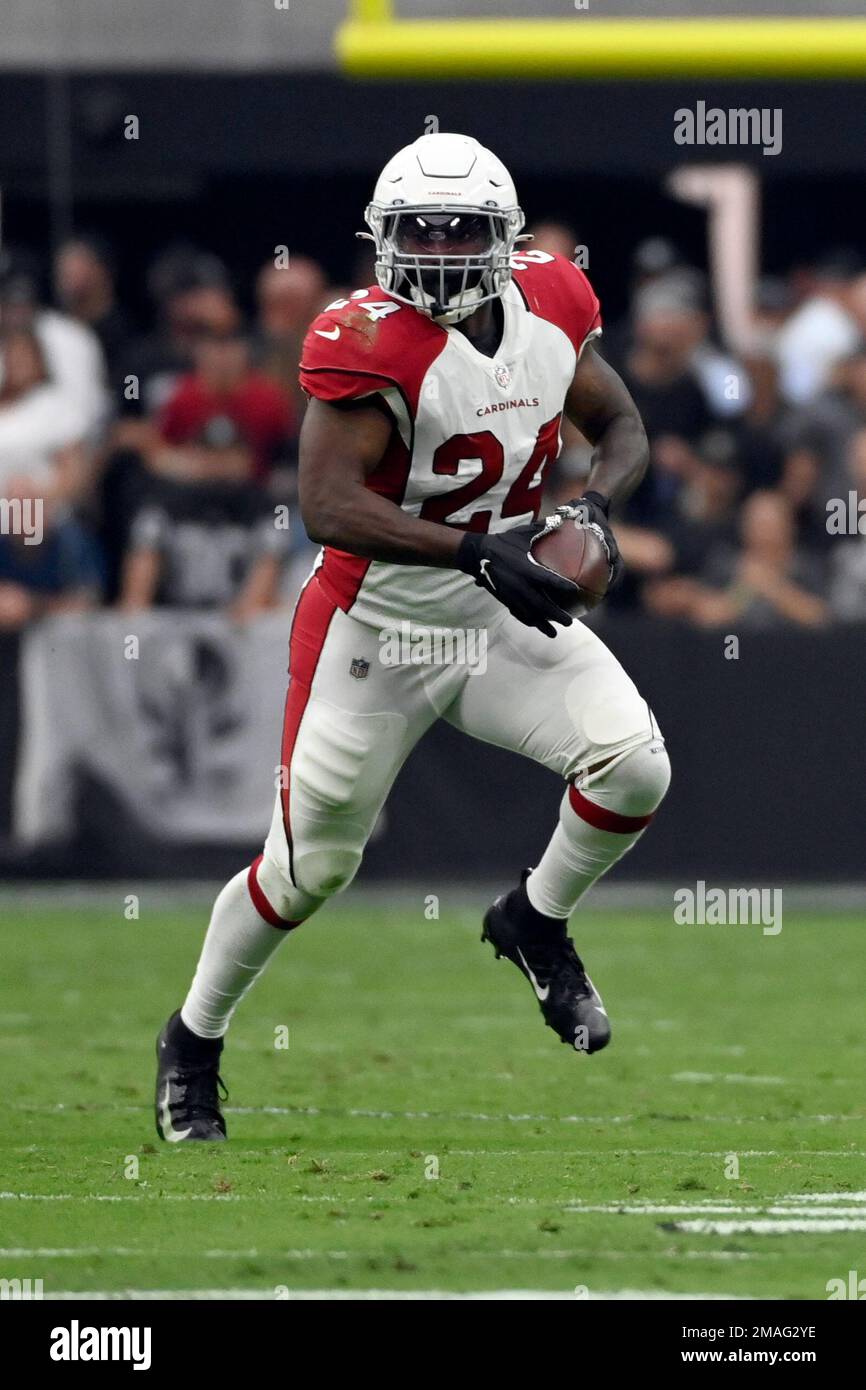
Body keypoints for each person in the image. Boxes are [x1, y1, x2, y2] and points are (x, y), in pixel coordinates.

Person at [154, 133, 671, 1142]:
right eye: (414, 232)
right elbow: (325, 503)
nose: (434, 250)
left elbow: (622, 431)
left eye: (458, 231)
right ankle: (193, 1039)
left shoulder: (555, 302)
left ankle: (533, 917)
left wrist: (597, 510)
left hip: (493, 613)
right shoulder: (362, 336)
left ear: (504, 241)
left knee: (632, 768)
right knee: (307, 871)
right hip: (374, 626)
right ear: (380, 240)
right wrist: (478, 550)